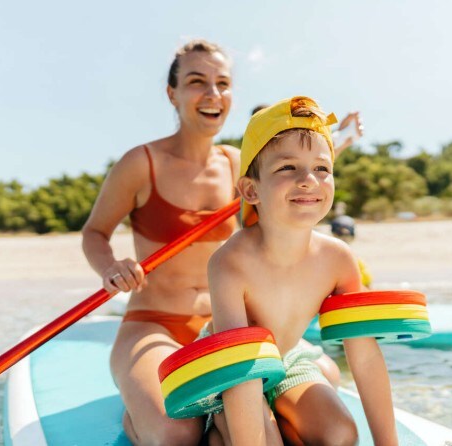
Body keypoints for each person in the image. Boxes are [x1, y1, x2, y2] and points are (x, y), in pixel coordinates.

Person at [81, 40, 338, 445]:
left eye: (223, 83)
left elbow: (277, 228)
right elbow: (94, 233)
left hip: (233, 328)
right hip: (156, 326)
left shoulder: (239, 164)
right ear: (173, 93)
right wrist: (111, 267)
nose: (213, 94)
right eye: (197, 82)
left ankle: (227, 422)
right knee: (176, 433)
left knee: (327, 387)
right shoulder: (140, 164)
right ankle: (144, 415)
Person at [207, 96, 397, 445]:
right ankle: (223, 429)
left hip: (287, 358)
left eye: (322, 168)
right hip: (229, 369)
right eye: (287, 168)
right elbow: (239, 368)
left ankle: (275, 419)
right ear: (251, 189)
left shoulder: (337, 259)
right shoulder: (230, 262)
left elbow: (364, 356)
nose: (309, 180)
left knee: (340, 436)